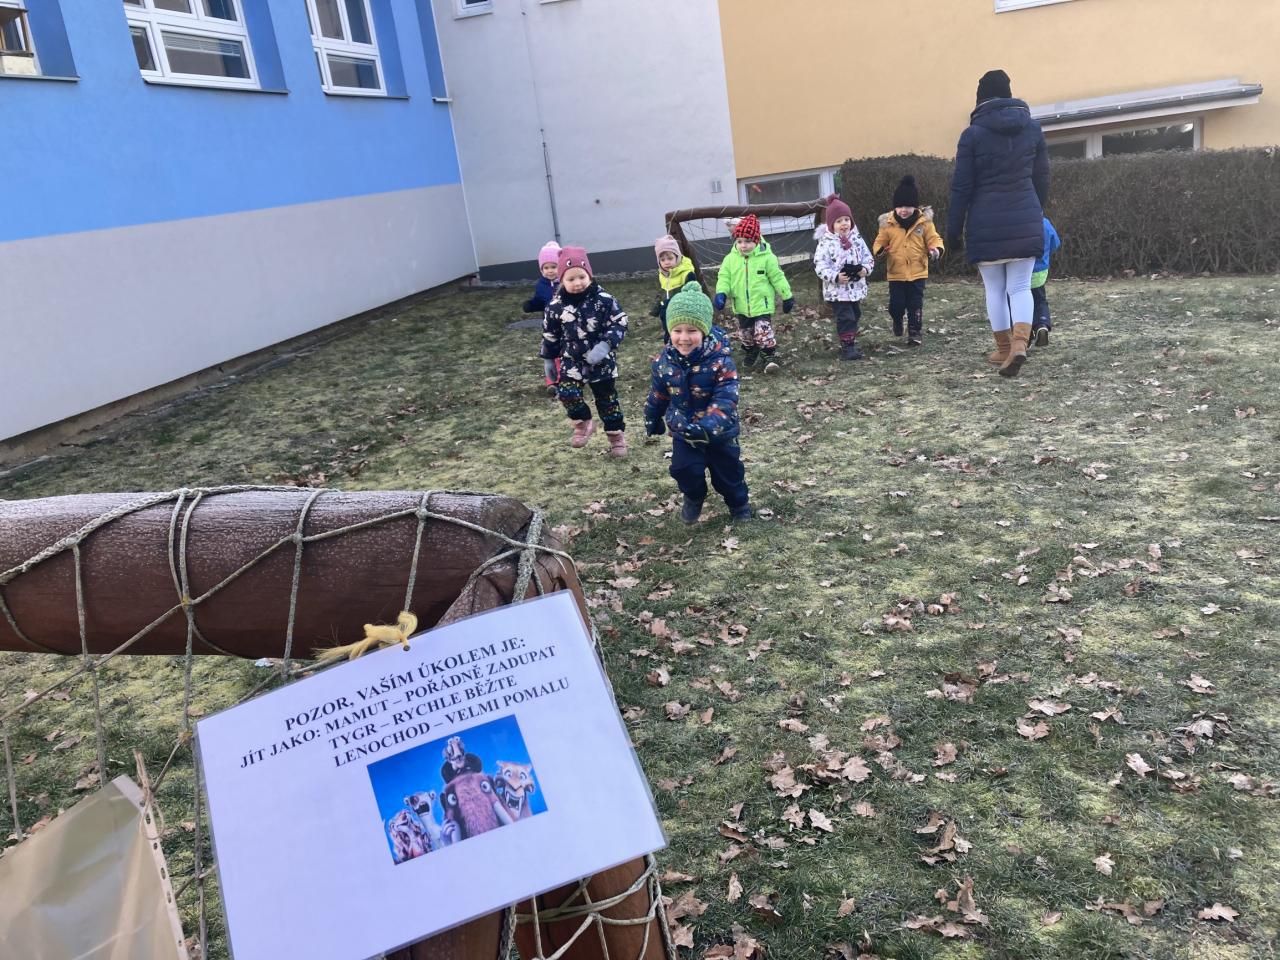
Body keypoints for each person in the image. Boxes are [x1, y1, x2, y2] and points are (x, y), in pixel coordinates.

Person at [946, 69, 1049, 378]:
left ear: (981, 99)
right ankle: (1020, 343)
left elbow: (961, 187)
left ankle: (1004, 348)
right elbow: (1042, 178)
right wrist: (1035, 212)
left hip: (985, 221)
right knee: (1020, 287)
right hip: (1026, 218)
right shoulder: (1033, 129)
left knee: (995, 289)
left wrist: (953, 231)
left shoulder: (972, 135)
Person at [644, 282, 750, 524]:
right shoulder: (663, 363)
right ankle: (694, 496)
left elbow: (726, 399)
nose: (684, 338)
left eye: (692, 330)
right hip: (684, 430)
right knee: (683, 469)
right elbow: (658, 393)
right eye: (677, 330)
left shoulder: (721, 362)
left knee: (728, 475)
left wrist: (708, 426)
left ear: (705, 331)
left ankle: (739, 505)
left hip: (719, 432)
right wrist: (652, 416)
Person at [540, 246, 630, 456]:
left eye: (582, 277)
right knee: (567, 393)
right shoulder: (555, 306)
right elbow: (550, 334)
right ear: (562, 280)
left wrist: (605, 345)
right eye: (571, 279)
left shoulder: (604, 299)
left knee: (607, 400)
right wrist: (548, 359)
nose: (577, 283)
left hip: (601, 361)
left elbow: (620, 322)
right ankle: (583, 422)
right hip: (571, 360)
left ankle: (616, 437)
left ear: (589, 275)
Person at [713, 214, 793, 373]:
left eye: (748, 241)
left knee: (763, 331)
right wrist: (721, 292)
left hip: (762, 304)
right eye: (739, 241)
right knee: (746, 334)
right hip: (741, 305)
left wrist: (787, 296)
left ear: (756, 240)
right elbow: (724, 277)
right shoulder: (730, 259)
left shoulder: (767, 258)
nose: (743, 245)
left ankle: (769, 357)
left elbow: (777, 277)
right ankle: (751, 351)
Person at [872, 176, 944, 347]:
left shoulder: (924, 223)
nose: (903, 210)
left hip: (918, 272)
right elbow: (879, 242)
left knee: (915, 305)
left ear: (915, 206)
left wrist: (936, 249)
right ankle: (897, 319)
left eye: (908, 207)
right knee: (896, 306)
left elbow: (935, 239)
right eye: (899, 207)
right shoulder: (888, 224)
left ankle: (915, 333)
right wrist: (880, 251)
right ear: (894, 207)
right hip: (896, 273)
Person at [813, 196, 875, 361]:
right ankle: (848, 347)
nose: (844, 224)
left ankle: (849, 340)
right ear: (831, 224)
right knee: (846, 317)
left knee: (855, 314)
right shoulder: (826, 243)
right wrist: (835, 276)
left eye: (847, 219)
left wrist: (865, 269)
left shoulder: (857, 239)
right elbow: (820, 265)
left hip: (855, 288)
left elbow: (868, 257)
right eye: (839, 221)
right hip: (837, 291)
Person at [524, 241, 562, 393]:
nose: (550, 271)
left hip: (564, 324)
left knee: (562, 352)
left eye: (553, 267)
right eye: (546, 268)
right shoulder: (541, 285)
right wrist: (531, 305)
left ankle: (564, 379)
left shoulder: (565, 283)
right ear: (541, 269)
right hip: (548, 325)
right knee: (548, 353)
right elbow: (540, 300)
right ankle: (551, 382)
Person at [650, 235, 698, 342]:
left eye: (670, 258)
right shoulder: (663, 275)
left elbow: (693, 295)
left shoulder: (687, 274)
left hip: (682, 315)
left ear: (677, 257)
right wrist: (657, 306)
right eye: (662, 260)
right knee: (669, 339)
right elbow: (663, 292)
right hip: (667, 316)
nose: (666, 262)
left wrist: (674, 303)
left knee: (682, 340)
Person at [1029, 215, 1061, 348]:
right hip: (1040, 271)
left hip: (1022, 271)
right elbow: (1055, 243)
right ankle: (1042, 324)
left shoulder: (1021, 222)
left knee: (1018, 301)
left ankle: (1025, 334)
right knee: (1040, 300)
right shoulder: (1045, 223)